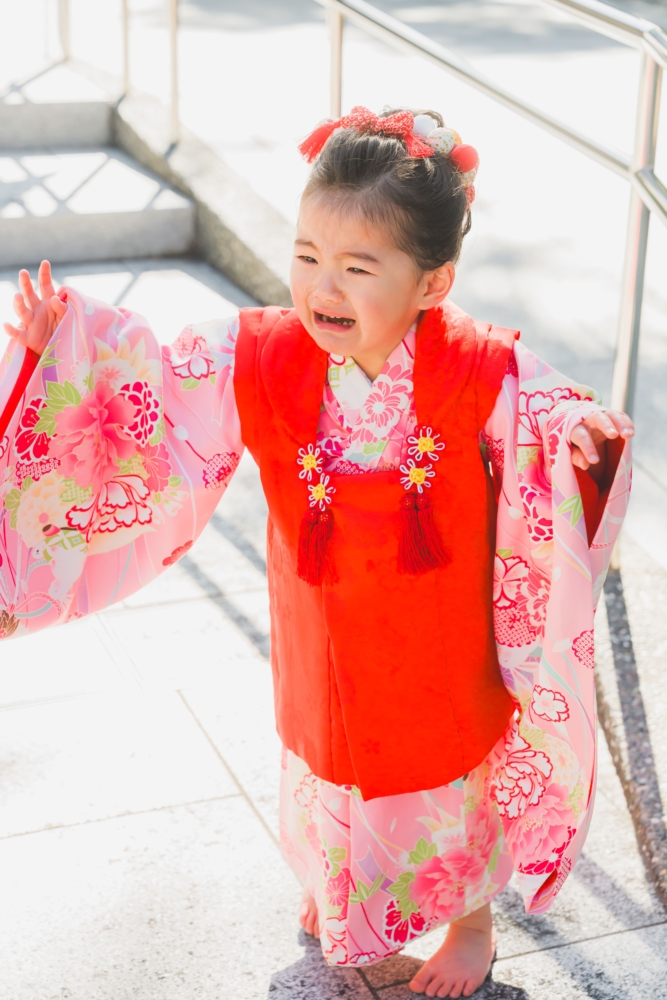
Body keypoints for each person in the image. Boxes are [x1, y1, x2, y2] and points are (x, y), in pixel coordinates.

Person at [0, 107, 633, 999]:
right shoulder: (262, 353)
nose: (321, 286)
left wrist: (576, 435)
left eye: (356, 266)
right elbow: (160, 390)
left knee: (448, 782)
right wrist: (67, 348)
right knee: (325, 769)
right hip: (322, 638)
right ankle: (346, 894)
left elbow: (543, 415)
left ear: (432, 281)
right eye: (306, 257)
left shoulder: (476, 368)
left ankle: (472, 926)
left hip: (435, 643)